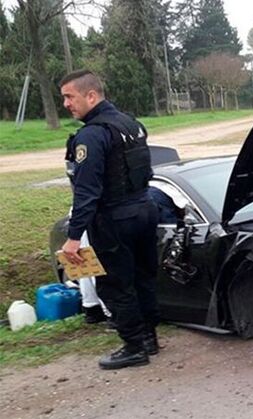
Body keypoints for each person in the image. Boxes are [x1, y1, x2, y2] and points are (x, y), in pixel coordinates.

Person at [59, 70, 160, 369]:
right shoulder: (132, 124)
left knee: (117, 283)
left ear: (91, 96)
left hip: (115, 218)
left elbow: (87, 191)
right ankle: (149, 338)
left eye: (69, 96)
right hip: (144, 208)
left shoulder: (91, 135)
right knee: (144, 277)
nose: (65, 103)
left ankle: (133, 347)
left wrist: (74, 237)